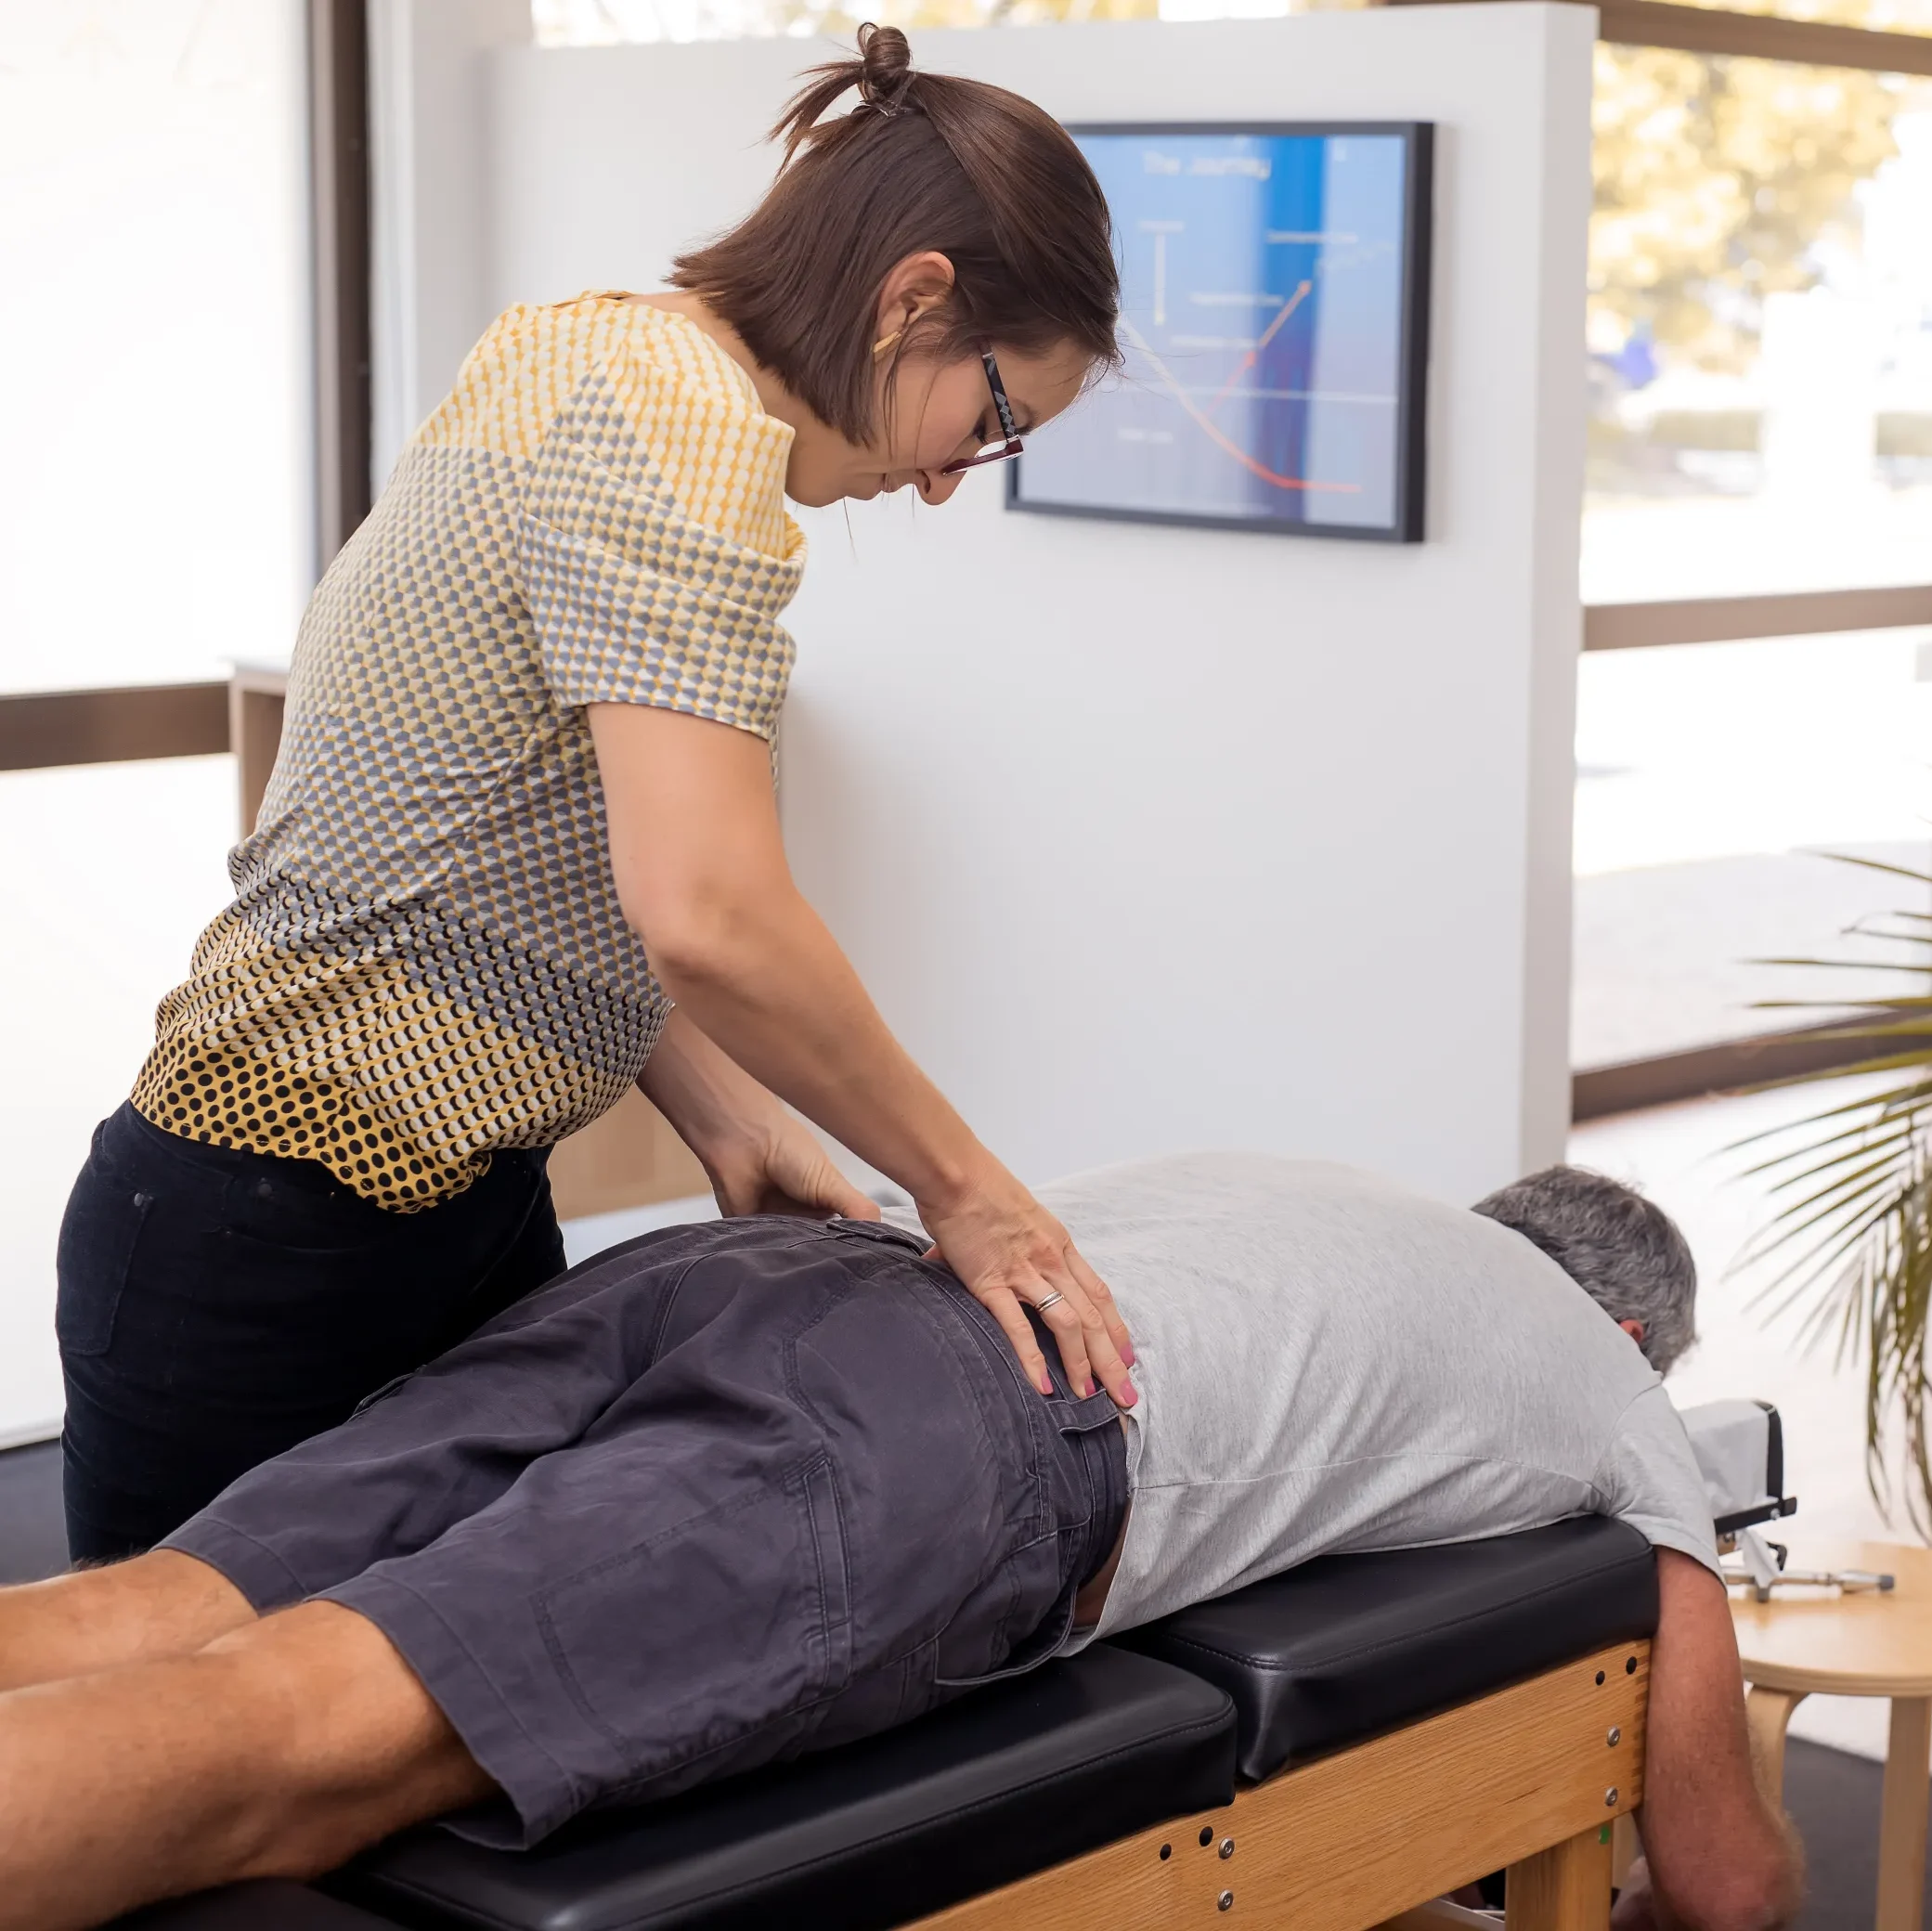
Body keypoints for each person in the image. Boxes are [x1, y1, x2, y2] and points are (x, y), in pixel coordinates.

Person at [54, 24, 1139, 1566]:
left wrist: (729, 1111)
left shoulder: (588, 344)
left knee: (419, 1732)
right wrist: (975, 1196)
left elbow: (509, 839)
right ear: (916, 299)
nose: (959, 477)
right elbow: (706, 911)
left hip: (446, 1204)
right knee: (159, 1759)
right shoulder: (683, 424)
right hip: (275, 1221)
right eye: (994, 418)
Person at [2, 1154, 1795, 1931]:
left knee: (144, 1611)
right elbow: (1725, 1885)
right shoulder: (1611, 1392)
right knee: (294, 1748)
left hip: (762, 1270)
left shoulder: (1325, 1191)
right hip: (950, 1428)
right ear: (1639, 1340)